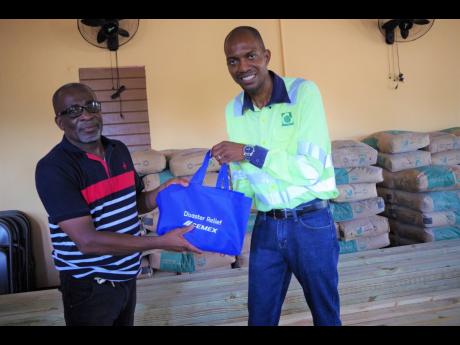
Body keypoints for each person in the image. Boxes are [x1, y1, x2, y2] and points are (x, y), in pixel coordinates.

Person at [35, 82, 201, 326]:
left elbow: (133, 204)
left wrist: (162, 191)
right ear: (59, 122)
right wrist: (159, 242)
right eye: (74, 111)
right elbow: (87, 241)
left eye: (91, 106)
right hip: (90, 286)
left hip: (126, 277)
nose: (87, 115)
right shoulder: (54, 168)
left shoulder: (119, 150)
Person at [211, 26, 341, 326]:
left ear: (266, 56)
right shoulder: (234, 109)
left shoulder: (303, 93)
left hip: (310, 224)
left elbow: (310, 169)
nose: (243, 67)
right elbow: (244, 179)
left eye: (250, 56)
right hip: (267, 227)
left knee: (326, 315)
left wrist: (248, 151)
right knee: (259, 317)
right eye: (233, 60)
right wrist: (217, 223)